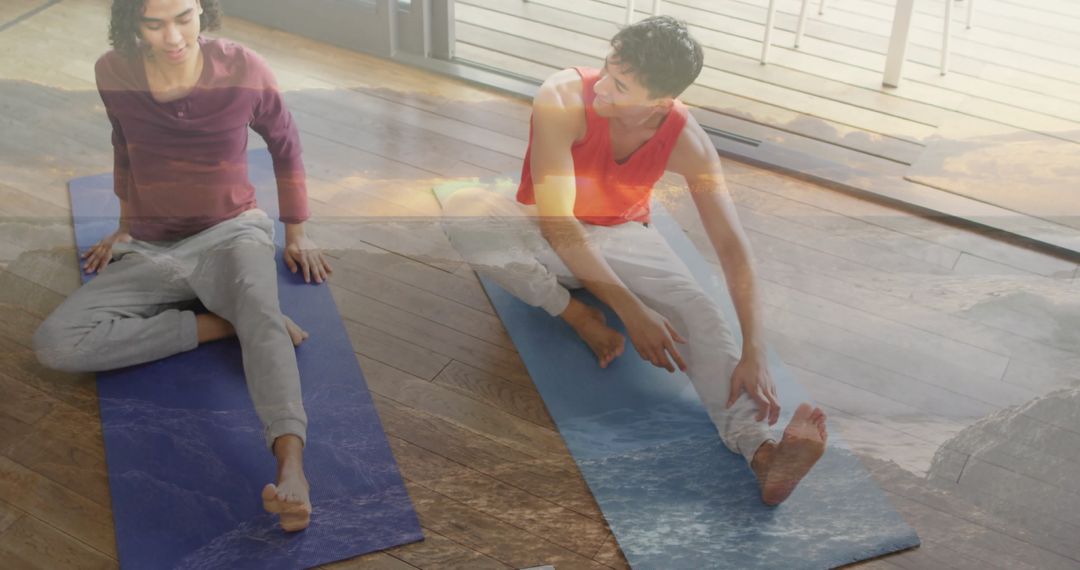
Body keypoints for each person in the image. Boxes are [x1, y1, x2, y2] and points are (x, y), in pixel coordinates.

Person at [443, 16, 828, 505]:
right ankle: (575, 312)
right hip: (541, 228)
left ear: (661, 102)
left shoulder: (689, 143)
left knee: (700, 314)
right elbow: (558, 225)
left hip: (621, 233)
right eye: (606, 67)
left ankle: (762, 452)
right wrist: (629, 311)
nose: (602, 86)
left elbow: (732, 247)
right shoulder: (561, 98)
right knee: (464, 213)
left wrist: (754, 348)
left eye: (620, 84)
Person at [31, 0, 331, 531]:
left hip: (232, 232)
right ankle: (222, 322)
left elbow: (285, 144)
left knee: (263, 320)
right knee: (55, 344)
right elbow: (123, 145)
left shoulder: (243, 69)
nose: (173, 35)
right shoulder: (113, 70)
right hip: (152, 246)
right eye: (155, 22)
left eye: (185, 16)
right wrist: (126, 224)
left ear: (203, 11)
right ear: (133, 25)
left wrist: (297, 232)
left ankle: (292, 471)